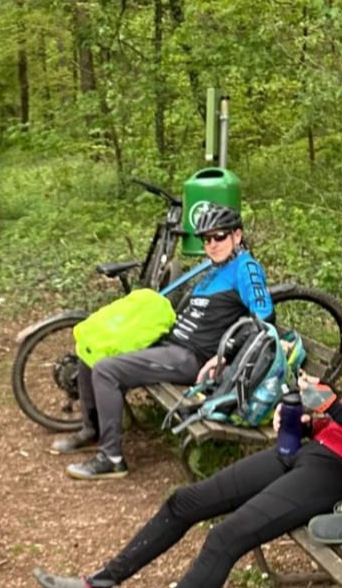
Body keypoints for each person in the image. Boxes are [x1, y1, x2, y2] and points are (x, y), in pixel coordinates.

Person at [33, 242, 342, 588]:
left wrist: (335, 408)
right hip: (317, 447)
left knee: (225, 538)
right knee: (184, 501)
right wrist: (315, 419)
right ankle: (96, 586)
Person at [52, 204, 273, 480]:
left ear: (237, 236)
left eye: (219, 237)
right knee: (92, 351)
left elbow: (264, 319)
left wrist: (225, 355)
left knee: (107, 370)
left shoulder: (246, 268)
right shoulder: (215, 268)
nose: (212, 244)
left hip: (190, 359)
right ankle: (92, 429)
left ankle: (112, 458)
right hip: (171, 345)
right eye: (207, 239)